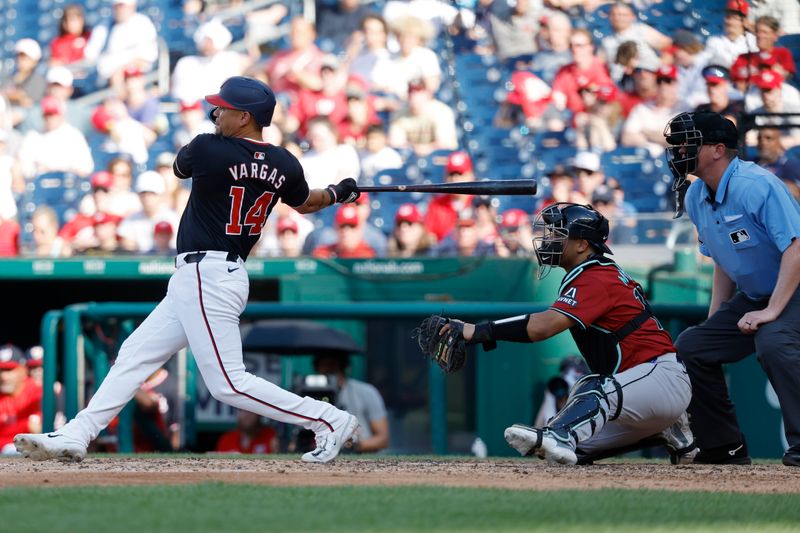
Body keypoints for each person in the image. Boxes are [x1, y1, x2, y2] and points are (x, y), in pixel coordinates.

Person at [14, 76, 361, 464]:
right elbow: (306, 202)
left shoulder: (208, 147)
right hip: (210, 275)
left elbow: (180, 168)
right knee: (134, 355)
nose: (215, 113)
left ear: (245, 116)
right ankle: (78, 433)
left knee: (228, 383)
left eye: (224, 109)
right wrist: (336, 193)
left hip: (207, 274)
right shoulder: (284, 161)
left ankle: (327, 419)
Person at [425, 202, 696, 465]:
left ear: (582, 244)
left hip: (659, 377)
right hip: (640, 388)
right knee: (576, 447)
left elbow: (543, 326)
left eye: (559, 233)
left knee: (590, 393)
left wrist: (478, 331)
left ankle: (559, 433)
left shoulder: (595, 276)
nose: (549, 239)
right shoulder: (590, 274)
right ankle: (665, 430)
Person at [664, 111, 800, 467]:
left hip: (794, 285)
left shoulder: (757, 185)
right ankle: (724, 446)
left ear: (717, 149)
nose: (679, 151)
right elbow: (723, 258)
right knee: (693, 346)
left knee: (773, 341)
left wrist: (772, 311)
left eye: (688, 143)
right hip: (757, 295)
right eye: (677, 144)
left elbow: (796, 249)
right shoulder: (696, 194)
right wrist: (715, 320)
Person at [313, 352, 389, 453]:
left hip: (362, 459)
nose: (328, 369)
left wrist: (352, 446)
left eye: (332, 365)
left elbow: (383, 439)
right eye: (323, 365)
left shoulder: (366, 391)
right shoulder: (309, 394)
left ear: (343, 365)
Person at [0, 345, 42, 454]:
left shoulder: (37, 391)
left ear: (23, 371)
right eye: (1, 370)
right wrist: (24, 424)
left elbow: (37, 429)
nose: (3, 377)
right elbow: (28, 427)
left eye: (9, 370)